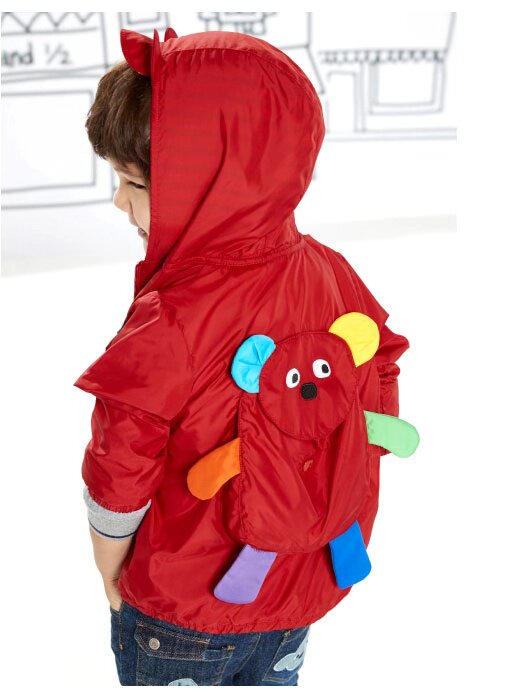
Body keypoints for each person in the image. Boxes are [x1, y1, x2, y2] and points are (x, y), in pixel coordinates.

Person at [74, 27, 412, 687]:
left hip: (181, 614)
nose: (119, 201)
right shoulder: (334, 274)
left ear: (209, 182)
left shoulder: (173, 316)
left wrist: (108, 560)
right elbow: (380, 371)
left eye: (132, 182)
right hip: (301, 591)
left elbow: (121, 464)